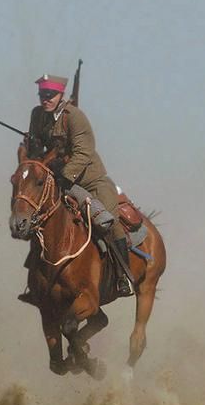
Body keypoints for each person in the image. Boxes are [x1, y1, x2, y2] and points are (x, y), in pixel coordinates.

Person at [25, 74, 133, 297]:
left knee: (109, 223)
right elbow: (36, 150)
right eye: (42, 95)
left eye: (50, 95)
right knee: (35, 219)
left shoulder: (74, 116)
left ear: (60, 95)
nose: (46, 99)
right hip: (55, 180)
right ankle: (36, 280)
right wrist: (33, 148)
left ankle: (124, 277)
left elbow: (84, 152)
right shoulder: (37, 115)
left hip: (89, 180)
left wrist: (64, 175)